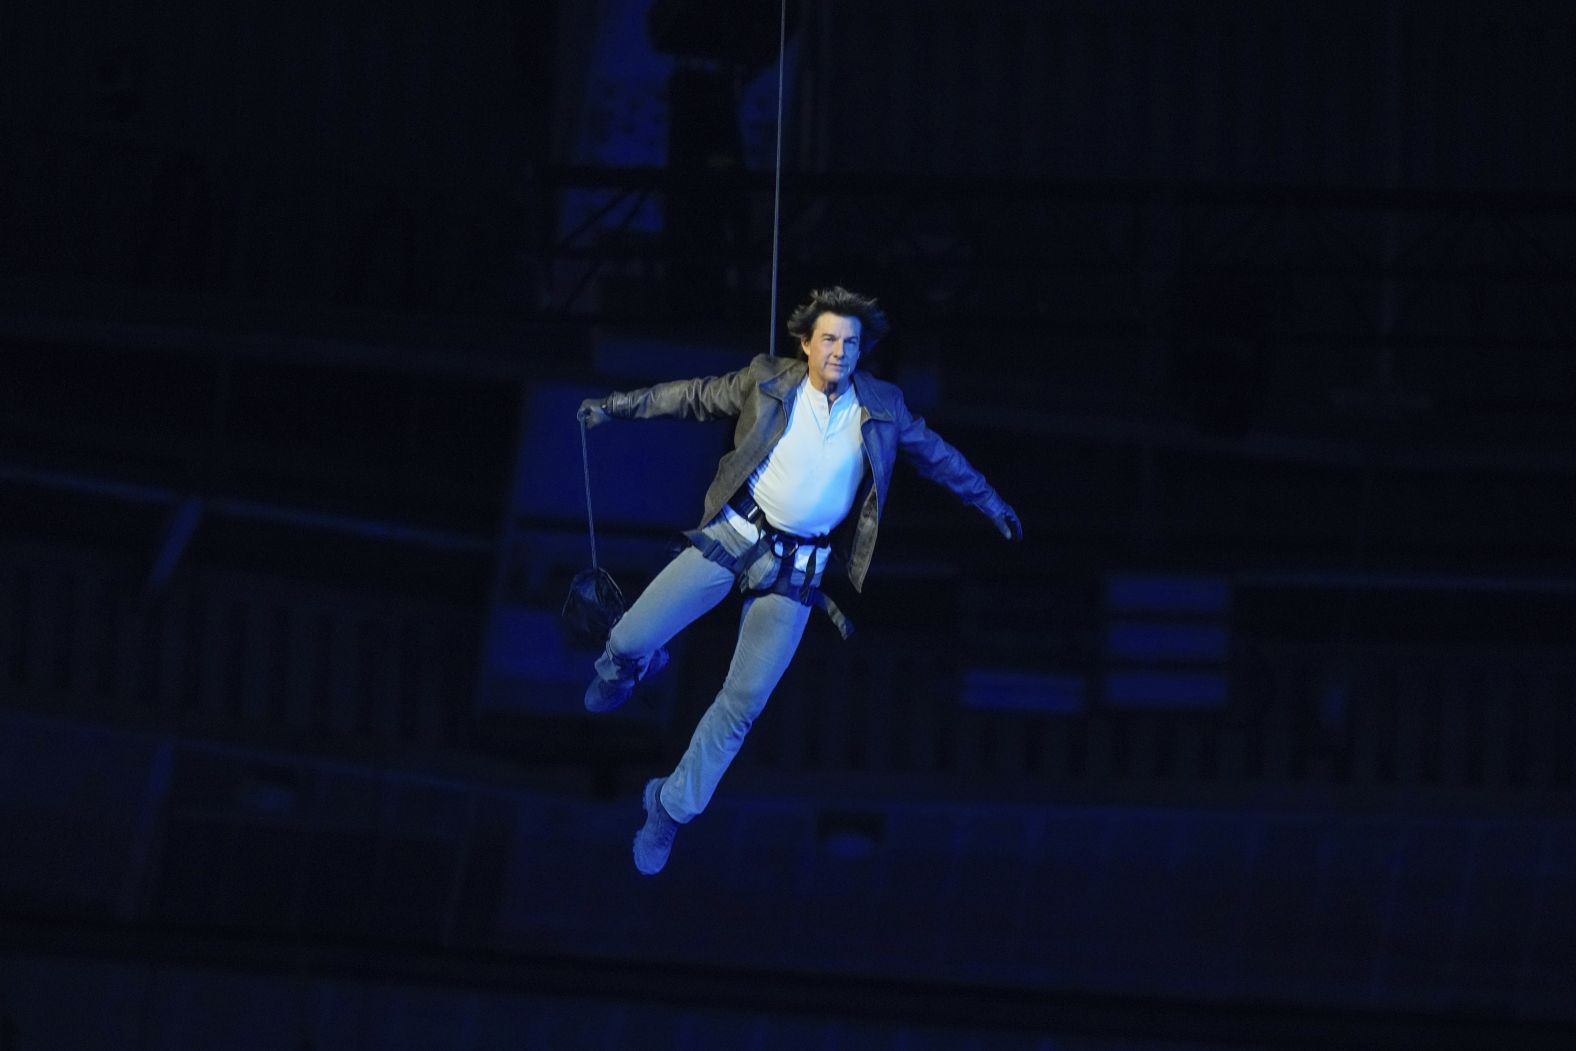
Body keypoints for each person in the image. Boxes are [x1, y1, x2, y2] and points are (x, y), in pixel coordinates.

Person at [577, 286, 1021, 875]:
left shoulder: (881, 406)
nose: (840, 351)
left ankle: (668, 807)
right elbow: (692, 397)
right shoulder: (766, 380)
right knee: (630, 638)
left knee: (742, 704)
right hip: (736, 535)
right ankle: (626, 668)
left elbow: (936, 455)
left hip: (798, 571)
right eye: (830, 339)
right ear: (806, 344)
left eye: (851, 343)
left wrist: (987, 498)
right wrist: (616, 406)